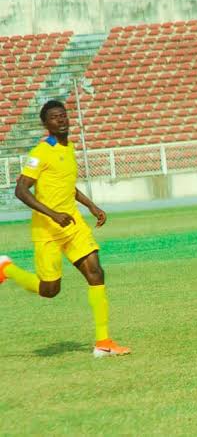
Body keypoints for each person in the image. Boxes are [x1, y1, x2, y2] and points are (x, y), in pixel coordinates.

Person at [0, 100, 130, 357]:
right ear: (45, 124)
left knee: (96, 272)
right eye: (54, 117)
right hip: (47, 228)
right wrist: (52, 214)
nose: (61, 119)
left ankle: (103, 342)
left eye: (63, 115)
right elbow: (21, 190)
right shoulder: (40, 152)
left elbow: (66, 185)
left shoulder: (69, 147)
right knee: (50, 290)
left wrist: (91, 206)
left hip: (71, 224)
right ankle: (7, 269)